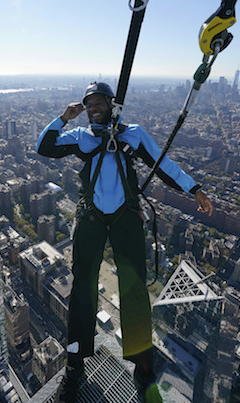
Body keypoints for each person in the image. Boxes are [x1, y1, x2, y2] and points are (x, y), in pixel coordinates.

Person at [36, 82, 213, 402]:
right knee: (82, 291)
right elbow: (44, 147)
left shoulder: (133, 134)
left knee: (135, 292)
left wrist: (194, 188)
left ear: (111, 104)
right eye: (89, 103)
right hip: (90, 215)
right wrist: (63, 118)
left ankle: (143, 374)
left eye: (98, 101)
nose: (93, 107)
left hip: (126, 216)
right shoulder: (81, 137)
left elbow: (163, 166)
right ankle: (75, 367)